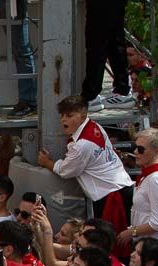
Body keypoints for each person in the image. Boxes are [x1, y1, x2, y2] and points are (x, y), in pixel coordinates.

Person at [38, 97, 134, 236]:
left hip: (111, 197)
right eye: (62, 115)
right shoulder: (95, 126)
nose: (63, 120)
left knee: (107, 241)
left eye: (69, 116)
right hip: (119, 187)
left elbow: (65, 170)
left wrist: (47, 162)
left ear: (83, 116)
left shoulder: (82, 145)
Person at [121, 128, 158, 256]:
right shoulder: (151, 174)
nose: (136, 152)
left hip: (157, 248)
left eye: (141, 149)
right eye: (135, 147)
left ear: (157, 151)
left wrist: (132, 232)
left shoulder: (157, 179)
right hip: (149, 245)